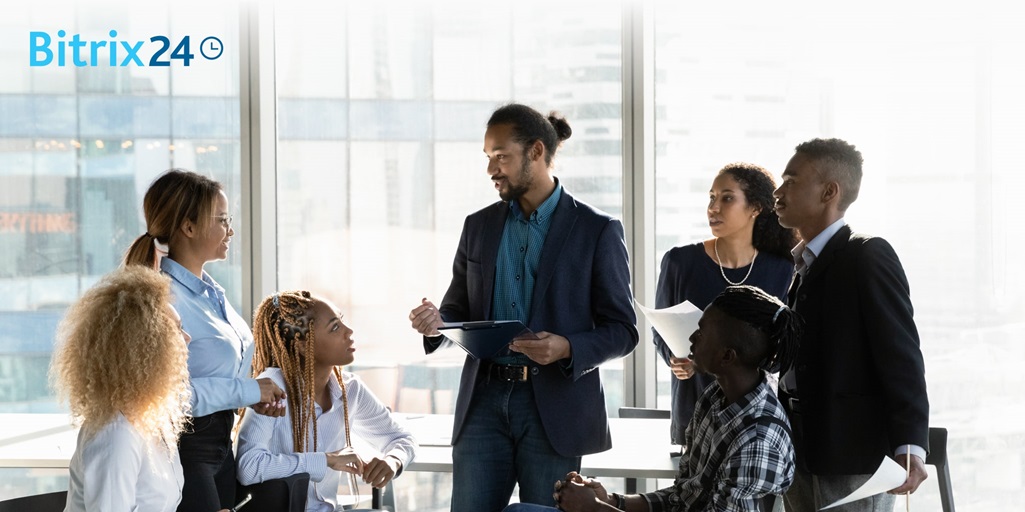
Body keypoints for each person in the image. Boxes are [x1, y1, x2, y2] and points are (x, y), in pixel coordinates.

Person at [407, 103, 638, 512]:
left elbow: (623, 329)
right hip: (483, 401)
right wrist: (436, 324)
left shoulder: (597, 230)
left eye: (501, 157)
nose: (492, 169)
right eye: (489, 158)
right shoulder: (477, 226)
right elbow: (456, 309)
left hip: (554, 407)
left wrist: (566, 347)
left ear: (535, 151)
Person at [506, 285, 801, 512]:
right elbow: (681, 497)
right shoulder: (715, 397)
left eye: (702, 332)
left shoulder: (760, 440)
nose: (692, 338)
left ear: (727, 356)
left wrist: (595, 509)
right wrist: (612, 499)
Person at [772, 138, 929, 511]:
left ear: (829, 191)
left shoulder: (867, 254)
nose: (778, 192)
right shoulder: (801, 264)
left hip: (852, 458)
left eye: (791, 181)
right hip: (799, 451)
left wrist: (910, 445)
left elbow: (901, 354)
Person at [124, 169, 287, 512]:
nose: (231, 229)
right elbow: (169, 399)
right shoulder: (165, 301)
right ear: (189, 227)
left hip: (220, 447)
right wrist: (250, 390)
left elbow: (224, 377)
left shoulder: (212, 294)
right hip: (186, 451)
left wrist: (251, 396)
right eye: (223, 219)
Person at [653, 162, 796, 446]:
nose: (713, 207)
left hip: (758, 422)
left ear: (755, 207)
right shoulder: (680, 262)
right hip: (693, 415)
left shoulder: (784, 268)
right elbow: (661, 332)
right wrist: (676, 359)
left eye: (726, 198)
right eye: (711, 197)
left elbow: (785, 347)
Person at [236, 291, 417, 512]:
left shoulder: (350, 389)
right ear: (303, 345)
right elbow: (248, 467)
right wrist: (325, 460)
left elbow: (401, 438)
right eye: (335, 328)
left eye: (342, 321)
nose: (349, 332)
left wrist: (393, 461)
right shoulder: (271, 387)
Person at [51, 266, 193, 512]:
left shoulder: (152, 422)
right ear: (147, 347)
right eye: (177, 329)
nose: (187, 337)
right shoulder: (116, 435)